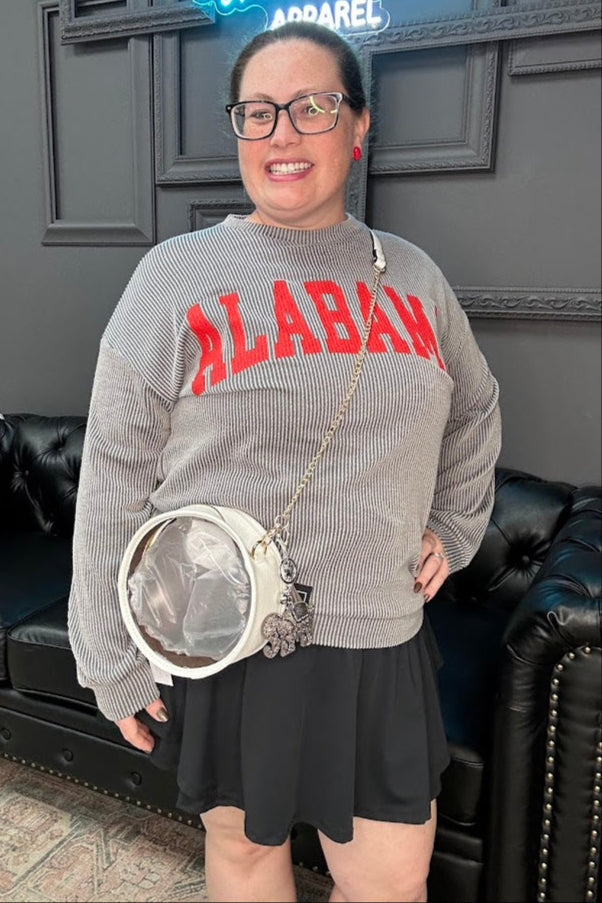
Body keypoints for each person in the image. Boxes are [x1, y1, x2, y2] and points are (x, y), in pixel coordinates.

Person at [68, 20, 502, 903]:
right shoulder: (175, 277)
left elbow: (476, 407)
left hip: (379, 634)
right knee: (244, 856)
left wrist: (453, 527)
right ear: (238, 131)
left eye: (313, 106)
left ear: (358, 124)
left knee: (388, 883)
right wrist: (106, 647)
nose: (283, 135)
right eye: (258, 114)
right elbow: (114, 467)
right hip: (226, 637)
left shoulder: (412, 278)